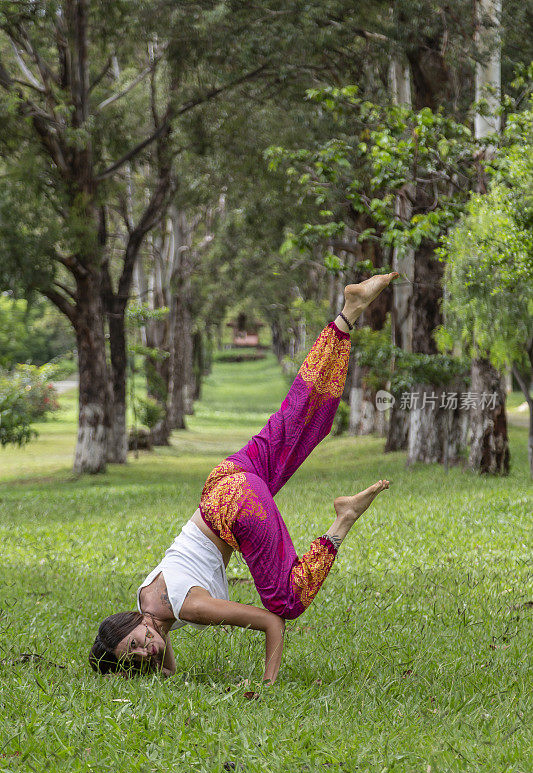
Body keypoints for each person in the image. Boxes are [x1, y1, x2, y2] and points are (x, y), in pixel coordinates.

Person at [89, 273, 398, 683]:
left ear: (130, 626)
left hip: (234, 510)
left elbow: (272, 623)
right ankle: (348, 314)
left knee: (287, 599)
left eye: (135, 645)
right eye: (137, 660)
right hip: (224, 482)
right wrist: (137, 666)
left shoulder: (187, 607)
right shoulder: (147, 600)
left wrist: (268, 685)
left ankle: (342, 519)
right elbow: (159, 653)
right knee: (304, 423)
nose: (145, 651)